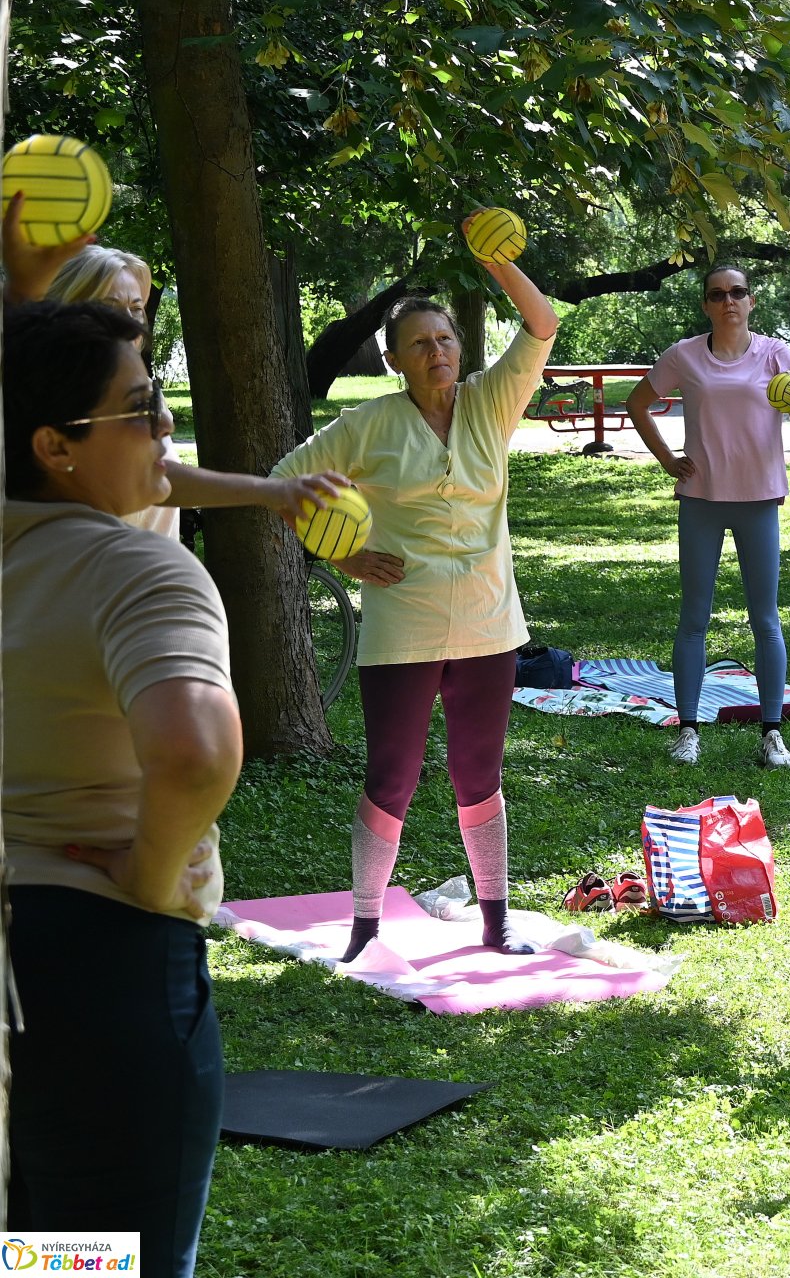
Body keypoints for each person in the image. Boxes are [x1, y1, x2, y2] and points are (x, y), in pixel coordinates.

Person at [4, 301, 244, 1275]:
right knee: (102, 1262)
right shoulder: (137, 567)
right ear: (55, 445)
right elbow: (194, 751)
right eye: (140, 407)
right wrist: (151, 874)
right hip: (97, 977)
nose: (165, 425)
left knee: (30, 1254)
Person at [271, 216, 558, 961]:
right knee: (391, 776)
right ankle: (364, 929)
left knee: (479, 775)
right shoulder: (368, 424)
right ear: (394, 359)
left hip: (490, 623)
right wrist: (344, 555)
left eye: (446, 339)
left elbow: (542, 324)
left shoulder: (492, 401)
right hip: (403, 623)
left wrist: (496, 262)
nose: (438, 352)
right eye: (421, 344)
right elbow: (283, 482)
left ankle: (496, 921)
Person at [623, 265, 790, 768]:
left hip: (759, 499)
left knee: (765, 619)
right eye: (717, 294)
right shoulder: (685, 355)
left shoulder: (775, 354)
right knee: (694, 617)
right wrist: (667, 459)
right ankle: (688, 730)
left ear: (751, 301)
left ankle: (772, 734)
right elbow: (638, 403)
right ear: (706, 304)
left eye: (737, 292)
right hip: (702, 499)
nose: (728, 300)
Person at [43, 241, 341, 540]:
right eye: (108, 308)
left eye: (136, 308)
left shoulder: (140, 387)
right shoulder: (49, 396)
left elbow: (163, 479)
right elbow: (155, 475)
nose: (131, 323)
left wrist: (271, 492)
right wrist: (269, 491)